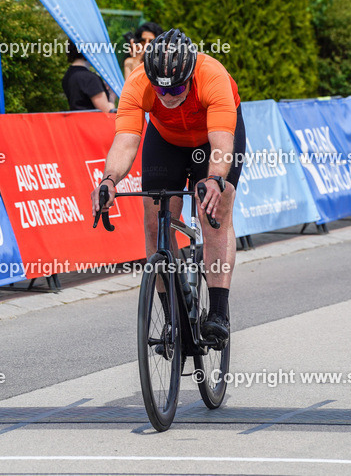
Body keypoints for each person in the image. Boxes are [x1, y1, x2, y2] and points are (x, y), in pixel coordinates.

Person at [91, 29, 243, 346]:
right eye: (160, 90)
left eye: (176, 88)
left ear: (189, 74)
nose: (168, 96)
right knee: (154, 222)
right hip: (167, 140)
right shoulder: (138, 84)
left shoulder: (211, 74)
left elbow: (222, 144)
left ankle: (217, 313)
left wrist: (216, 179)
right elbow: (126, 140)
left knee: (214, 212)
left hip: (212, 141)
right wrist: (109, 180)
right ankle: (172, 319)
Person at [62, 41, 116, 113]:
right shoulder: (90, 78)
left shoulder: (69, 75)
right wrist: (112, 94)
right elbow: (107, 111)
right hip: (92, 122)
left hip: (76, 122)